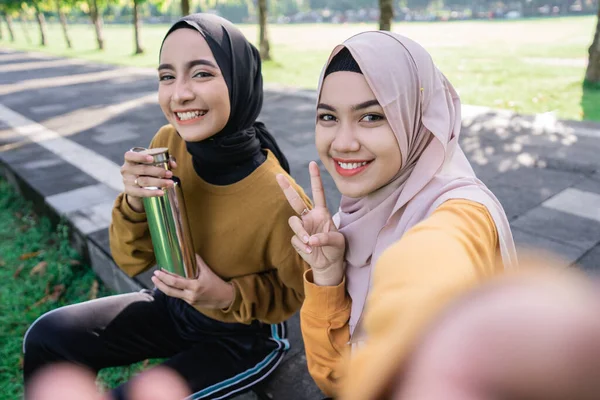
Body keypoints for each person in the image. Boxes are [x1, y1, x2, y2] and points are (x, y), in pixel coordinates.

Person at [23, 13, 310, 400]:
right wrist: (134, 202)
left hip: (243, 337)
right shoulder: (167, 143)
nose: (179, 94)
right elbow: (131, 260)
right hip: (173, 308)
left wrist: (225, 295)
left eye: (202, 74)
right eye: (167, 76)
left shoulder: (280, 196)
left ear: (240, 79)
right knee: (48, 337)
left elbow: (298, 295)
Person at [276, 31, 517, 397]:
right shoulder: (349, 223)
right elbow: (335, 378)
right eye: (328, 116)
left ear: (418, 120)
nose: (342, 142)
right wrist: (327, 273)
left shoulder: (465, 213)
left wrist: (411, 280)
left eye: (371, 116)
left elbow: (444, 252)